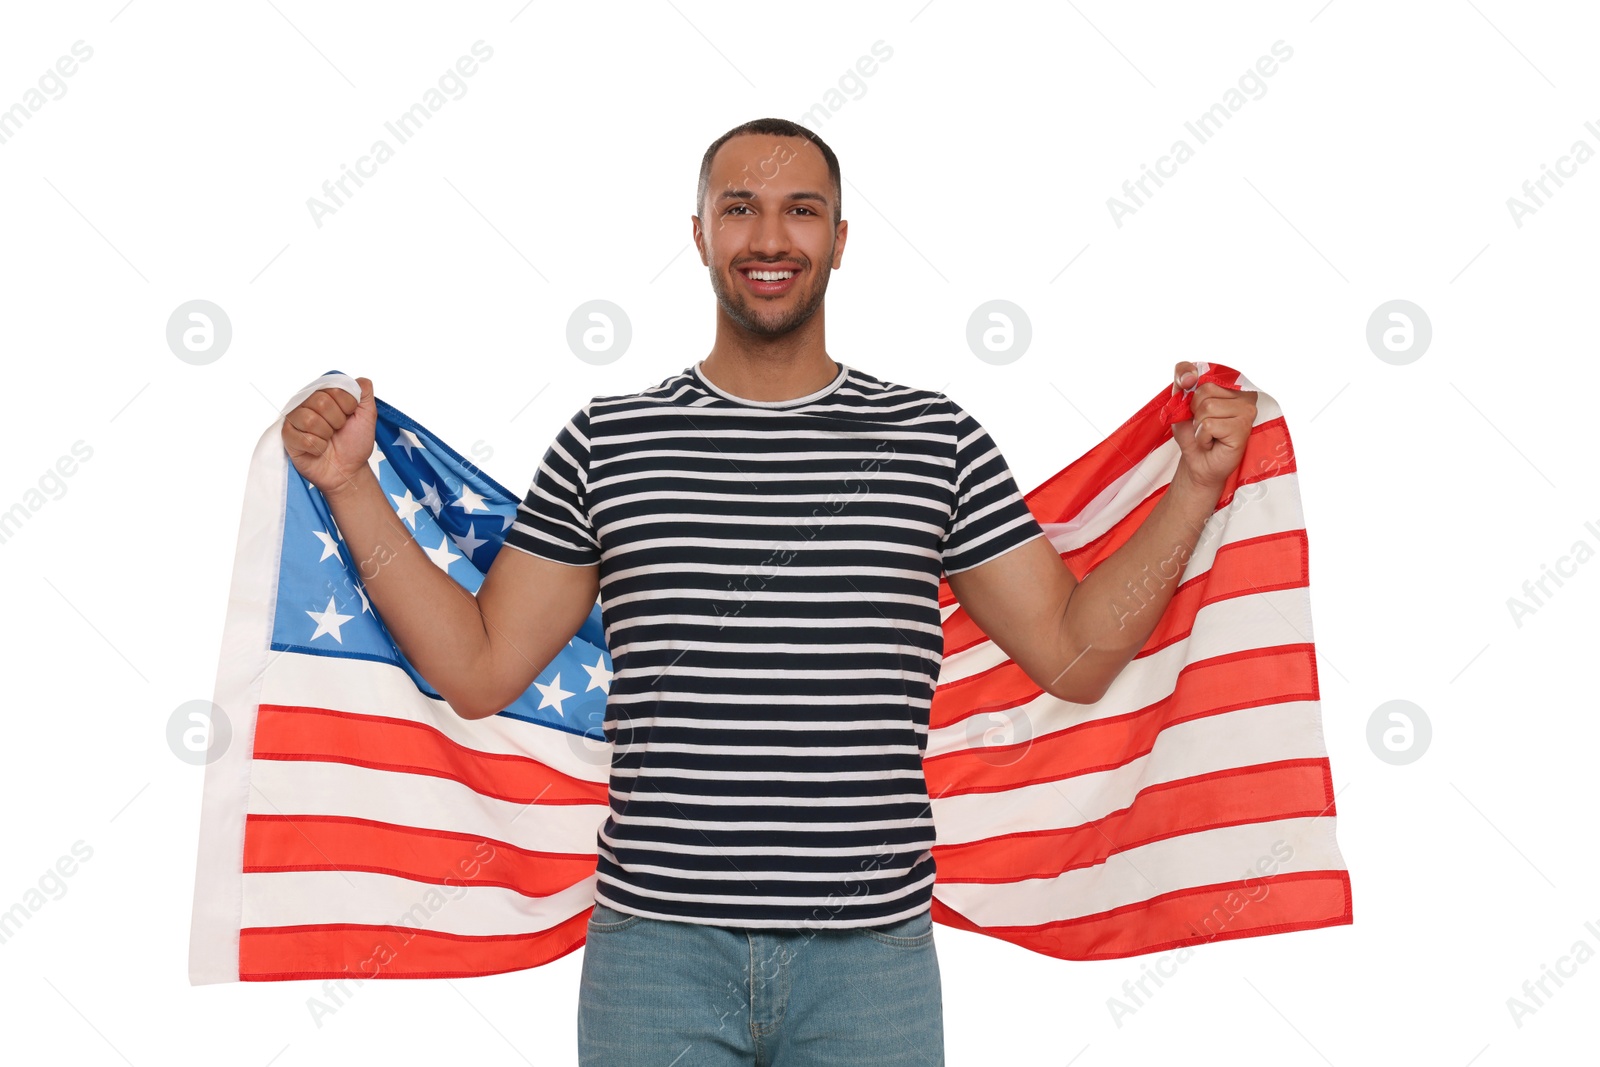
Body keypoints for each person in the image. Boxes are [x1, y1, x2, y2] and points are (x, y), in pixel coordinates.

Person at [280, 117, 1258, 1066]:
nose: (769, 236)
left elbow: (1072, 655)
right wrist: (349, 483)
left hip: (870, 959)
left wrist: (1195, 486)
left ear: (838, 240)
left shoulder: (932, 440)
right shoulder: (608, 442)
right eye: (739, 207)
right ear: (699, 234)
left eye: (800, 210)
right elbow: (477, 666)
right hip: (655, 952)